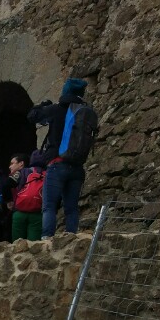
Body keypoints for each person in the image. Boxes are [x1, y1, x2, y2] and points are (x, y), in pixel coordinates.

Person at [28, 76, 98, 237]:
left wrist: (42, 105)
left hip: (57, 165)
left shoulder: (56, 109)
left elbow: (32, 116)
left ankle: (47, 238)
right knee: (72, 208)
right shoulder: (85, 112)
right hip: (77, 168)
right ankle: (71, 237)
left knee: (49, 206)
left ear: (65, 91)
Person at [11, 149, 47, 241]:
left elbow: (8, 184)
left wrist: (9, 201)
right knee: (34, 244)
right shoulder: (48, 174)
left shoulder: (23, 171)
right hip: (37, 214)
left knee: (17, 244)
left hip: (19, 212)